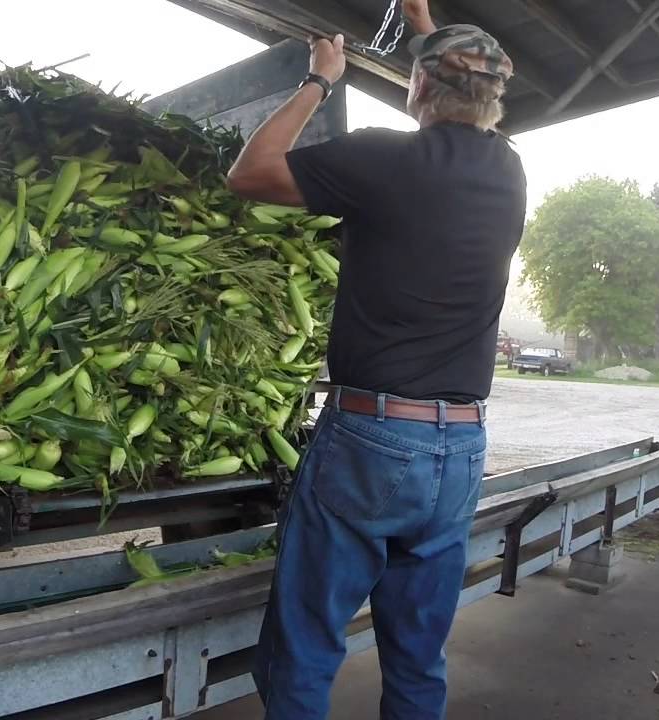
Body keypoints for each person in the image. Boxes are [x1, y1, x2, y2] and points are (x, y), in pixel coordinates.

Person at [225, 0, 526, 718]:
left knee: (306, 646)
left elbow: (250, 173)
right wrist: (425, 25)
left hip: (370, 443)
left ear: (417, 88)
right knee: (419, 657)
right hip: (461, 446)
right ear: (492, 97)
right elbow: (464, 101)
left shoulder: (381, 157)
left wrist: (320, 80)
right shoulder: (507, 170)